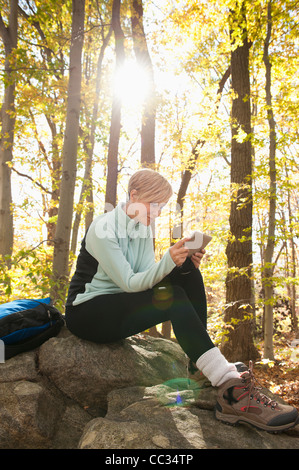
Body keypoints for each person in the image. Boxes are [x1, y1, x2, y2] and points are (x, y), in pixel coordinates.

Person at [65, 169, 298, 433]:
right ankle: (230, 388)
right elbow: (130, 283)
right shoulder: (103, 228)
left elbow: (146, 277)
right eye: (154, 205)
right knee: (173, 295)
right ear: (134, 196)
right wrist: (167, 259)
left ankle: (199, 368)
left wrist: (181, 264)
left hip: (118, 306)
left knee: (188, 275)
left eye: (161, 207)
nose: (158, 213)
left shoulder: (142, 227)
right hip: (87, 313)